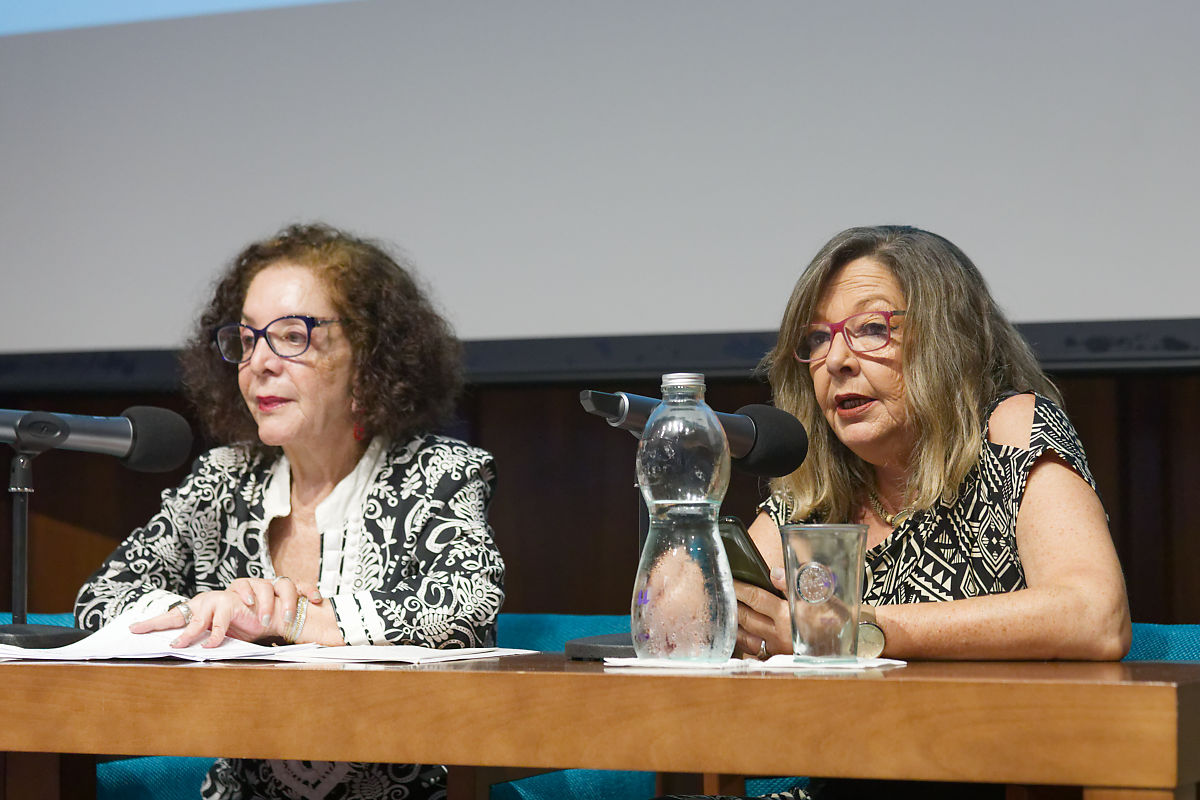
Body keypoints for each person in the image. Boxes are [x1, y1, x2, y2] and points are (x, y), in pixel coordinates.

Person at [682, 225, 1131, 800]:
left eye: (871, 329)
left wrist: (855, 630)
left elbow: (1095, 616)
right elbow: (700, 618)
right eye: (817, 339)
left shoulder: (1010, 431)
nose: (836, 359)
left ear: (948, 340)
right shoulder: (816, 480)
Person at [75, 222, 505, 800]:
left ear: (369, 353)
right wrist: (210, 614)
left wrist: (293, 621)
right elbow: (102, 598)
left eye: (292, 336)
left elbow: (466, 603)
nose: (259, 363)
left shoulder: (439, 472)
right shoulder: (223, 479)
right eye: (247, 340)